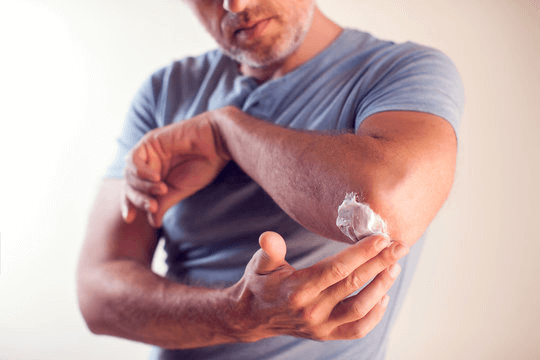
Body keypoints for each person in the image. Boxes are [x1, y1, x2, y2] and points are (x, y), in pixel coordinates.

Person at [76, 0, 464, 359]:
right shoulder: (166, 90)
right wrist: (237, 314)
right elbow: (97, 292)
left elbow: (385, 205)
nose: (235, 5)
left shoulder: (402, 70)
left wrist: (227, 133)